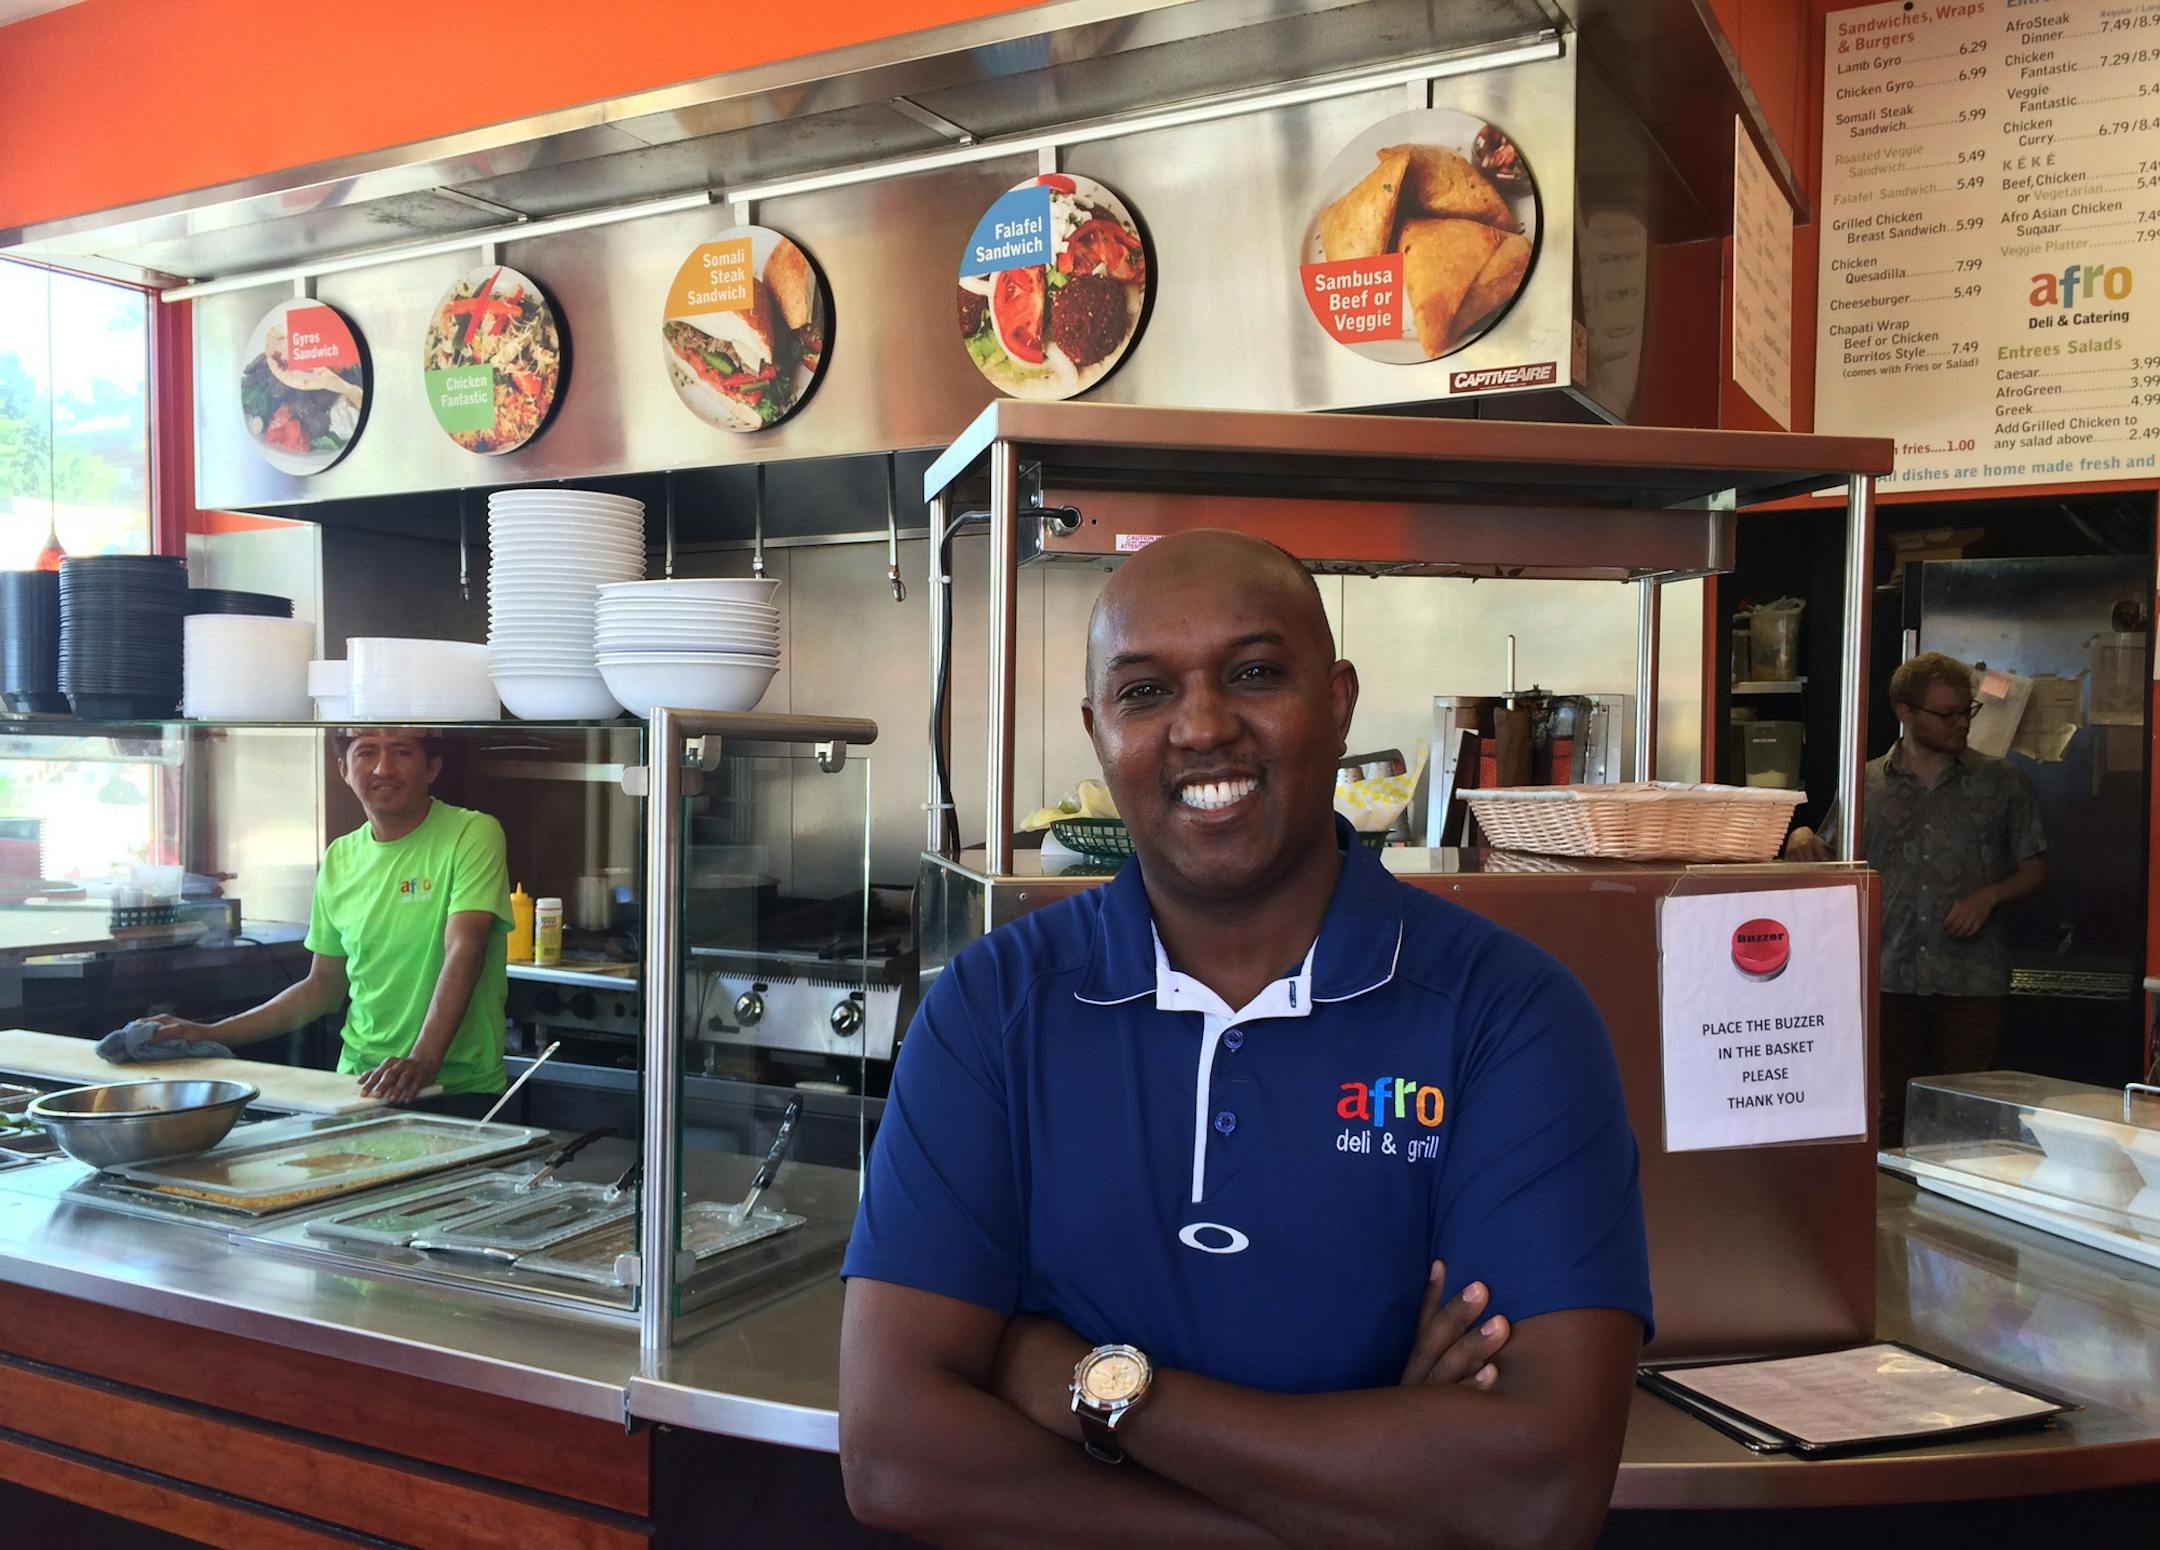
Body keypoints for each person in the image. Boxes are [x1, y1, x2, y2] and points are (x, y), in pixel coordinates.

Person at [839, 531, 1650, 1549]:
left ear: (1339, 702)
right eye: (1145, 692)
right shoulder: (993, 1006)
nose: (1203, 726)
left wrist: (1095, 1385)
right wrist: (1367, 1504)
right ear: (1098, 731)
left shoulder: (1509, 1014)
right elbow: (896, 1455)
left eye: (1255, 673)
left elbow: (1535, 1493)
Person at [148, 727, 513, 1115]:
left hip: (455, 1087)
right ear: (344, 770)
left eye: (402, 752)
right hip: (357, 1086)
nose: (383, 768)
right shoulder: (340, 857)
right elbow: (322, 986)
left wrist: (422, 1060)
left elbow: (465, 948)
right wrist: (209, 1034)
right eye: (366, 752)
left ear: (433, 767)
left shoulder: (472, 833)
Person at [1786, 652, 2048, 1144]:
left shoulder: (2002, 783)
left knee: (1965, 1115)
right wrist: (1800, 835)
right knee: (1886, 1112)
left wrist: (1989, 896)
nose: (1961, 723)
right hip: (1887, 973)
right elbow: (1830, 863)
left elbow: (2036, 868)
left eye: (1967, 711)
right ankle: (1888, 1198)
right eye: (1947, 714)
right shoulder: (1864, 784)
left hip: (1971, 978)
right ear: (1905, 712)